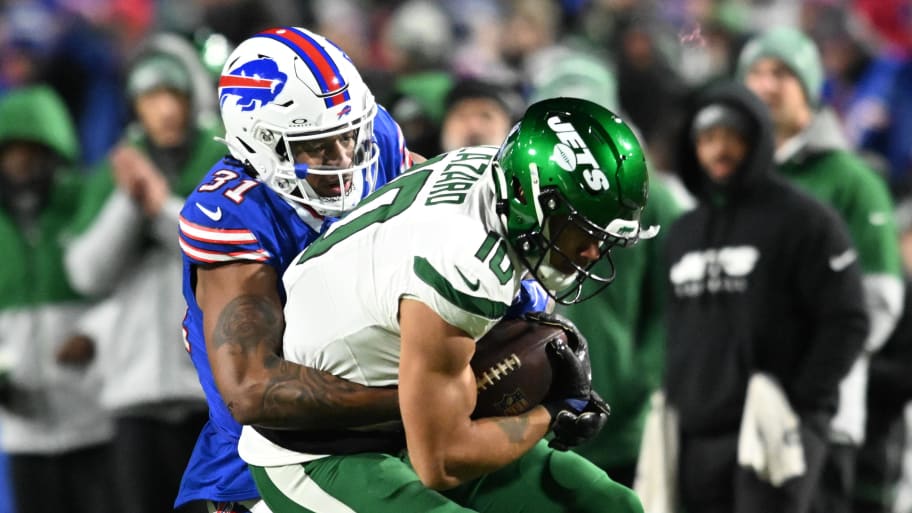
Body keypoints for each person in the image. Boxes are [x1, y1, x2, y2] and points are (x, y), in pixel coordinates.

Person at [237, 97, 653, 512]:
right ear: (538, 200)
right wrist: (554, 411)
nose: (593, 253)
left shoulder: (499, 174)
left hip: (403, 414)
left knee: (609, 505)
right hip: (319, 452)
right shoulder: (463, 264)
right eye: (581, 231)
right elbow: (442, 461)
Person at [175, 26, 422, 513]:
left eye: (349, 136)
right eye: (318, 147)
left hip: (382, 441)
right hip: (264, 465)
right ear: (260, 143)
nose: (345, 159)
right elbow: (252, 390)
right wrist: (421, 398)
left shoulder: (376, 146)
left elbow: (448, 230)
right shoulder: (234, 214)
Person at [654, 81, 868, 513]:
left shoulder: (806, 220)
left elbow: (848, 319)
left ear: (757, 140)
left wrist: (801, 405)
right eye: (708, 138)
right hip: (694, 439)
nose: (720, 149)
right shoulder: (683, 231)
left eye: (732, 135)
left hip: (774, 430)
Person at [737, 27, 904, 513]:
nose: (766, 85)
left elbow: (878, 300)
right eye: (756, 72)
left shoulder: (852, 180)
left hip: (818, 418)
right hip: (733, 417)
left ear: (809, 85)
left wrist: (807, 379)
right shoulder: (728, 177)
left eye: (781, 73)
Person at [63, 34, 225, 513]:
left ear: (191, 95)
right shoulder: (115, 173)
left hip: (213, 389)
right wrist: (130, 200)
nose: (164, 110)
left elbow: (223, 251)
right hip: (134, 392)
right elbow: (87, 275)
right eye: (150, 98)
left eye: (172, 94)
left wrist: (160, 204)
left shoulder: (224, 163)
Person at [0, 85, 115, 513]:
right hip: (22, 428)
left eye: (34, 150)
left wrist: (92, 333)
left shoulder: (85, 204)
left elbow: (120, 290)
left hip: (94, 419)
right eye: (12, 152)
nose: (22, 163)